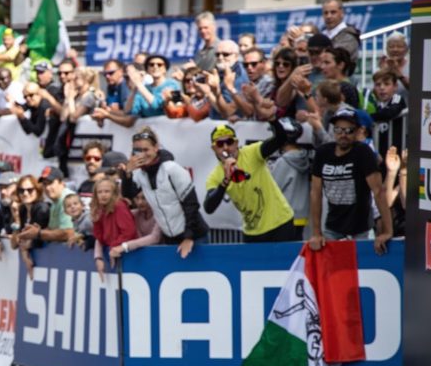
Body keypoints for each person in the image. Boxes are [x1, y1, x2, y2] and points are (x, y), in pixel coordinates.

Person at [308, 108, 392, 255]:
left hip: (361, 228)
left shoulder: (363, 152)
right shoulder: (323, 153)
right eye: (338, 130)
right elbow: (315, 193)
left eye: (349, 131)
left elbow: (378, 192)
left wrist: (387, 231)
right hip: (332, 227)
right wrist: (316, 232)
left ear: (358, 131)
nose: (343, 135)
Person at [203, 120, 301, 242]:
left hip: (279, 223)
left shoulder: (252, 152)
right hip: (252, 231)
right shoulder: (215, 176)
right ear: (214, 148)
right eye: (220, 144)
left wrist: (272, 120)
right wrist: (225, 181)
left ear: (236, 143)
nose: (226, 148)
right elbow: (208, 208)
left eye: (229, 142)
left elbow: (280, 139)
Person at [126, 127, 208, 258]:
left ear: (156, 148)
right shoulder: (140, 174)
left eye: (146, 150)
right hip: (169, 238)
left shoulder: (172, 169)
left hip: (194, 237)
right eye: (137, 151)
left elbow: (191, 204)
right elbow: (127, 195)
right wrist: (127, 173)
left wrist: (188, 238)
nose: (142, 155)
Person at [91, 177, 138, 281]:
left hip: (129, 253)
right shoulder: (100, 209)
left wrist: (114, 246)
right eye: (100, 192)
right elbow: (100, 238)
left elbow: (129, 232)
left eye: (107, 191)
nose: (103, 195)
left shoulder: (119, 206)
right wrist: (96, 220)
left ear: (114, 193)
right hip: (113, 252)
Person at [320, 0, 360, 71]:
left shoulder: (349, 36)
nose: (329, 16)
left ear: (342, 13)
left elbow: (337, 58)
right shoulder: (321, 34)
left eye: (333, 12)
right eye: (326, 13)